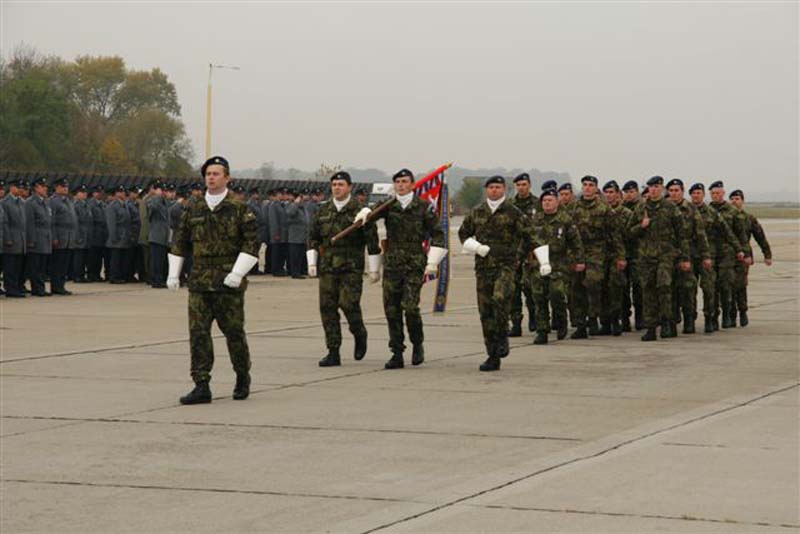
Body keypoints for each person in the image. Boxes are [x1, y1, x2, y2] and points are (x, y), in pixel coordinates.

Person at [169, 156, 259, 405]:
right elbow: (180, 241)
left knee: (234, 333)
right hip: (200, 281)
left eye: (216, 173)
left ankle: (242, 376)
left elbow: (251, 243)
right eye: (208, 174)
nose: (211, 177)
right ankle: (201, 384)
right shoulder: (193, 207)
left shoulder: (239, 208)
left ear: (227, 178)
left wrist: (238, 273)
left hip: (228, 281)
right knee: (198, 334)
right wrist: (173, 273)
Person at [357, 168, 446, 369]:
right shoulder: (389, 205)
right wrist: (365, 213)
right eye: (397, 182)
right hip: (392, 264)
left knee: (410, 307)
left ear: (412, 184)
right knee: (391, 309)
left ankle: (417, 343)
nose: (401, 185)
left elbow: (438, 234)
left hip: (414, 263)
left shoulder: (423, 207)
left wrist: (433, 261)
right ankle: (397, 352)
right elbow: (369, 218)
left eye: (405, 181)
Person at [307, 171, 381, 366]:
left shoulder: (361, 211)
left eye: (341, 184)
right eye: (334, 185)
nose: (337, 188)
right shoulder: (323, 210)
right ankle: (333, 351)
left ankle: (359, 332)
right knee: (327, 308)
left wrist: (374, 269)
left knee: (349, 304)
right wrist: (312, 262)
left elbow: (372, 241)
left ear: (349, 187)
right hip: (327, 267)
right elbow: (313, 237)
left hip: (351, 268)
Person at [459, 176, 528, 371]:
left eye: (498, 187)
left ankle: (503, 333)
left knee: (500, 297)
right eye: (491, 187)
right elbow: (463, 234)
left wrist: (518, 257)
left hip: (506, 266)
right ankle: (492, 355)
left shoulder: (514, 212)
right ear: (486, 190)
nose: (494, 190)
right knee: (486, 312)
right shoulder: (477, 212)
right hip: (483, 268)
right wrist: (476, 247)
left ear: (504, 189)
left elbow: (528, 236)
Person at [627, 176, 690, 341]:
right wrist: (641, 226)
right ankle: (651, 327)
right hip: (646, 257)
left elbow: (682, 234)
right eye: (651, 187)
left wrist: (684, 258)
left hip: (666, 256)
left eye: (656, 187)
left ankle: (668, 322)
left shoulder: (670, 207)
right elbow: (629, 232)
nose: (653, 190)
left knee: (664, 287)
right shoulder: (641, 208)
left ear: (662, 189)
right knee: (648, 291)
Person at [571, 176, 625, 338]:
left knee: (593, 284)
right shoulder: (574, 207)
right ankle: (581, 324)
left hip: (598, 252)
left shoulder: (604, 209)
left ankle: (595, 318)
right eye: (585, 185)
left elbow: (615, 234)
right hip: (578, 252)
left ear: (596, 189)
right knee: (576, 288)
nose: (587, 188)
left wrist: (620, 256)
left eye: (591, 185)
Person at [528, 188, 584, 344]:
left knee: (556, 294)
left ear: (557, 202)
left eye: (550, 200)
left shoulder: (565, 220)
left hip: (559, 265)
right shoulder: (535, 220)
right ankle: (542, 331)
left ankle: (561, 320)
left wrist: (579, 261)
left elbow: (576, 242)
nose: (547, 203)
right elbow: (526, 240)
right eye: (544, 200)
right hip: (538, 264)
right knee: (539, 297)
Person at [667, 178, 711, 334]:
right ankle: (671, 323)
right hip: (667, 256)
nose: (674, 193)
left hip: (688, 256)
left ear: (682, 191)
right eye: (671, 191)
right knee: (669, 290)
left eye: (676, 190)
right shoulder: (664, 208)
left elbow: (700, 234)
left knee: (687, 289)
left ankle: (689, 320)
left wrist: (705, 256)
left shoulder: (691, 209)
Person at [709, 181, 750, 328]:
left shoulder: (733, 212)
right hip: (711, 253)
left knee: (727, 285)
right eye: (713, 193)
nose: (715, 196)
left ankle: (729, 314)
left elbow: (741, 235)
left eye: (718, 193)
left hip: (728, 255)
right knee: (712, 287)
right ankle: (714, 316)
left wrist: (744, 253)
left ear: (723, 193)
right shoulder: (707, 210)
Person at [729, 189, 772, 326]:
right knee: (727, 285)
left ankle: (742, 311)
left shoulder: (749, 218)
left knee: (740, 285)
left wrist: (767, 254)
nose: (734, 201)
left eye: (737, 199)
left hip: (743, 256)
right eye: (732, 199)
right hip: (726, 256)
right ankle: (730, 313)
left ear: (742, 201)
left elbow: (760, 236)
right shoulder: (724, 217)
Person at [508, 173, 538, 336]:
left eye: (524, 184)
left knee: (530, 288)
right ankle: (516, 323)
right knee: (513, 289)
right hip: (513, 253)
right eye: (518, 185)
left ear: (530, 185)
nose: (521, 188)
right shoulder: (509, 205)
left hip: (531, 253)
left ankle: (534, 315)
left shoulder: (538, 204)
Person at [600, 180, 632, 335]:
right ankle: (605, 322)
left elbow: (630, 235)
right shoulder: (600, 211)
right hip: (600, 255)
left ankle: (619, 319)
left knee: (618, 288)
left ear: (618, 194)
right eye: (606, 192)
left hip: (620, 255)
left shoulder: (626, 213)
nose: (609, 195)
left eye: (611, 192)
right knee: (602, 289)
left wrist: (623, 256)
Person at [621, 180, 643, 330]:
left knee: (638, 287)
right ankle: (625, 318)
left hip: (638, 254)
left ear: (637, 192)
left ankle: (640, 317)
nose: (629, 195)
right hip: (623, 253)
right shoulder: (620, 209)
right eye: (626, 192)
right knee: (622, 287)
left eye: (631, 192)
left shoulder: (643, 209)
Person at [24, 177, 52, 296]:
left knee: (42, 266)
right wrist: (31, 240)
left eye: (46, 186)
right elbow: (29, 223)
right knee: (35, 266)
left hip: (45, 238)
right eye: (42, 186)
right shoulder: (30, 203)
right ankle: (37, 289)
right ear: (36, 188)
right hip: (36, 238)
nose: (45, 188)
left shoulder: (46, 202)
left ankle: (41, 287)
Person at [49, 177, 77, 295]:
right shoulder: (53, 201)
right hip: (60, 237)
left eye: (66, 186)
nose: (65, 188)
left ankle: (61, 285)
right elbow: (52, 221)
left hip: (68, 238)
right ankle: (56, 286)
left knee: (64, 264)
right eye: (63, 186)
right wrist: (54, 237)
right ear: (57, 187)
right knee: (57, 264)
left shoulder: (68, 201)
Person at [1, 179, 27, 297]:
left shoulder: (21, 202)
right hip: (11, 238)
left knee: (18, 266)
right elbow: (5, 223)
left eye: (21, 187)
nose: (20, 189)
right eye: (18, 187)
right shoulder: (6, 202)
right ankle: (10, 289)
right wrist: (8, 238)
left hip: (20, 239)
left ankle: (16, 287)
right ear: (11, 188)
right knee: (10, 266)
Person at [105, 185, 133, 284]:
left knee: (123, 258)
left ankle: (121, 275)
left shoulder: (125, 205)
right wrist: (113, 237)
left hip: (125, 235)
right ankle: (114, 276)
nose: (123, 193)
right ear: (116, 193)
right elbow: (111, 223)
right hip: (117, 235)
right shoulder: (112, 206)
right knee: (116, 258)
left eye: (123, 191)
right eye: (120, 191)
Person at [147, 181, 170, 288]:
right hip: (156, 236)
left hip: (163, 236)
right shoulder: (152, 200)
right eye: (162, 190)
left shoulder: (164, 202)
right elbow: (153, 208)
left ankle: (159, 279)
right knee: (155, 260)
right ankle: (155, 280)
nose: (164, 192)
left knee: (161, 260)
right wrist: (157, 196)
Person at [285, 190, 309, 279]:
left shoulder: (303, 208)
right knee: (295, 256)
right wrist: (295, 203)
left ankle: (300, 271)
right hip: (295, 236)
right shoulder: (290, 206)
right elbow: (290, 213)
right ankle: (295, 273)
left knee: (300, 256)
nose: (302, 200)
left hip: (303, 236)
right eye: (300, 199)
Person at [72, 184, 92, 283]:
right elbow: (75, 222)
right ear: (77, 194)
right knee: (78, 257)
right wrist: (77, 236)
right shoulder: (75, 205)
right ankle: (77, 275)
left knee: (85, 257)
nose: (84, 194)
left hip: (86, 234)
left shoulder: (86, 205)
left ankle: (82, 275)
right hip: (80, 234)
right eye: (82, 192)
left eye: (85, 192)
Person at [87, 186, 108, 282]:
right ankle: (91, 274)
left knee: (99, 256)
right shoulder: (90, 204)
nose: (100, 194)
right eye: (98, 192)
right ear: (93, 193)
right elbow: (90, 220)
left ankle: (97, 274)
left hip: (102, 233)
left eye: (101, 192)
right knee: (93, 256)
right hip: (94, 232)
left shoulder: (103, 204)